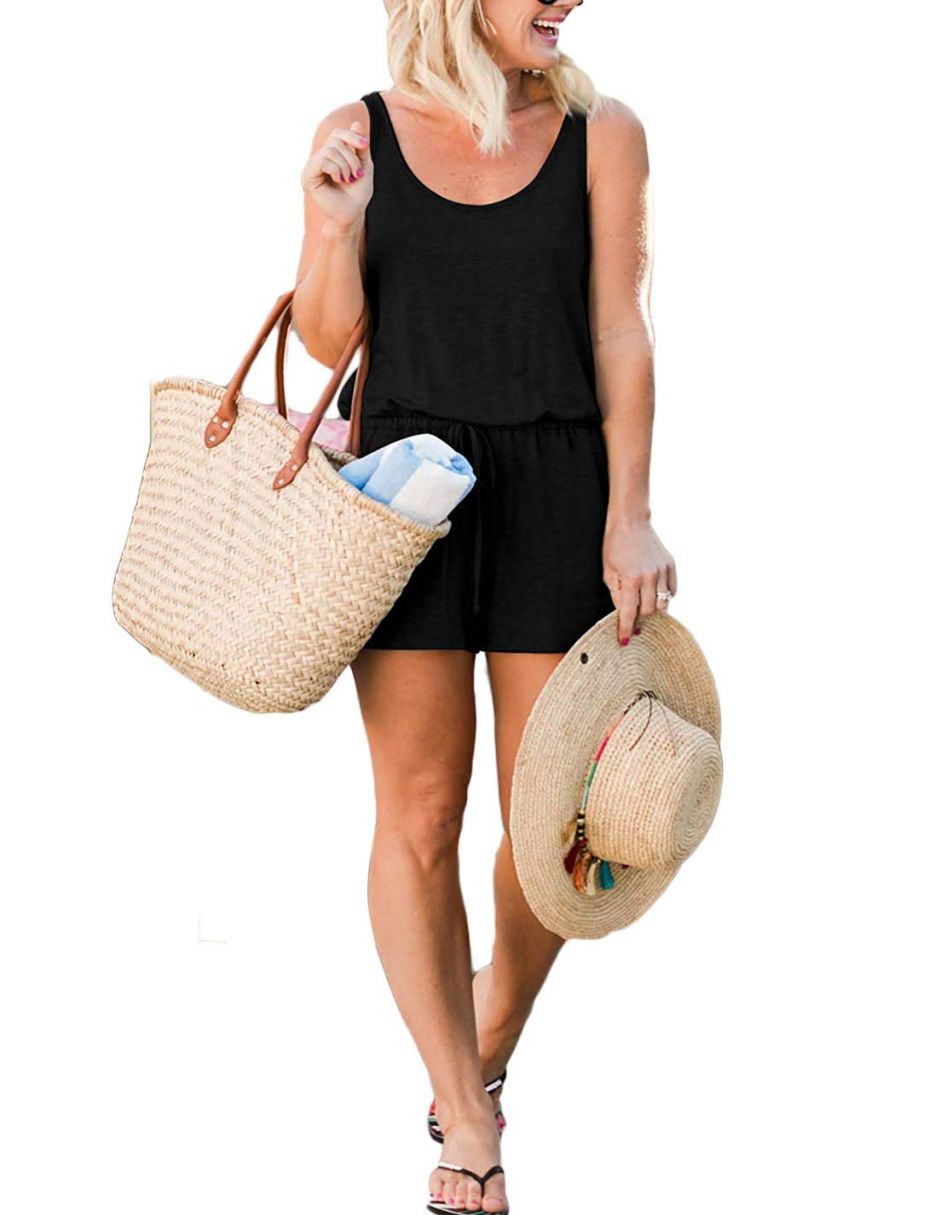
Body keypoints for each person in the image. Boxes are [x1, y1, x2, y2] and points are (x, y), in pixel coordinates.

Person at [292, 3, 676, 1210]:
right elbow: (328, 339)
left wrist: (630, 512)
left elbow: (618, 329)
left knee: (558, 823)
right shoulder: (357, 129)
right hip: (404, 494)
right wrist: (332, 221)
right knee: (418, 811)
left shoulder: (601, 133)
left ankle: (493, 1019)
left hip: (559, 486)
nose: (568, 0)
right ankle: (466, 1116)